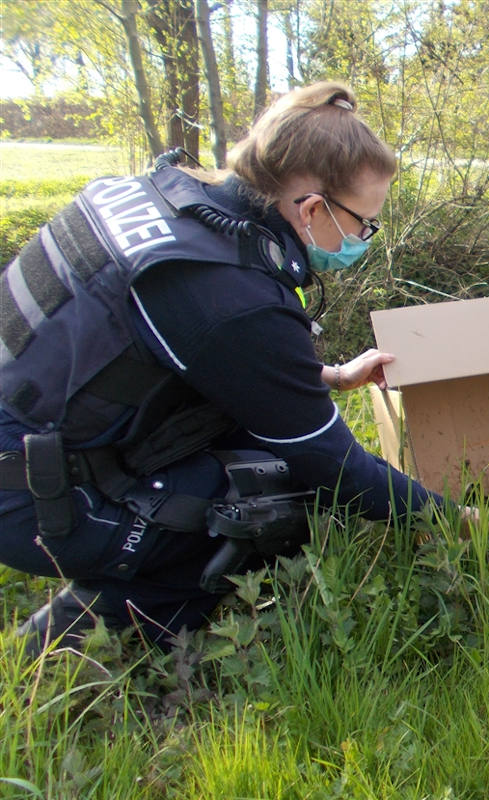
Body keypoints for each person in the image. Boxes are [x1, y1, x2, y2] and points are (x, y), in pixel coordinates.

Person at [0, 82, 451, 656]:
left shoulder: (161, 198)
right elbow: (334, 466)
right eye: (364, 224)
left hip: (36, 433)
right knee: (281, 500)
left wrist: (328, 377)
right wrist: (457, 519)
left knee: (258, 448)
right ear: (313, 208)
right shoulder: (230, 294)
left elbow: (170, 350)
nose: (362, 239)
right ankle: (81, 645)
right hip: (31, 495)